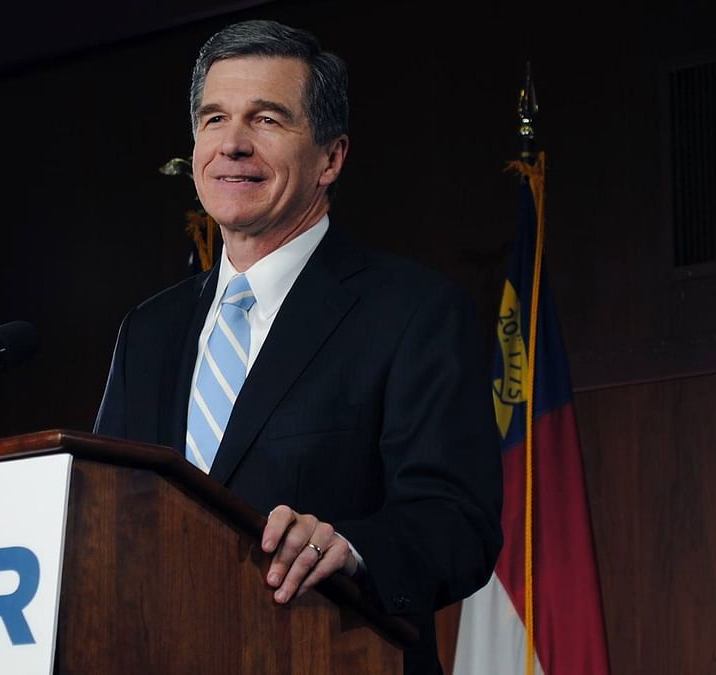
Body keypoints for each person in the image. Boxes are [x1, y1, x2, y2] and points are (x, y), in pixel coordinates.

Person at [94, 19, 502, 674]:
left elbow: (458, 523)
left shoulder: (412, 311)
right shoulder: (149, 330)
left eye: (266, 120)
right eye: (214, 118)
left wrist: (352, 546)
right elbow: (105, 518)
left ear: (331, 158)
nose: (232, 144)